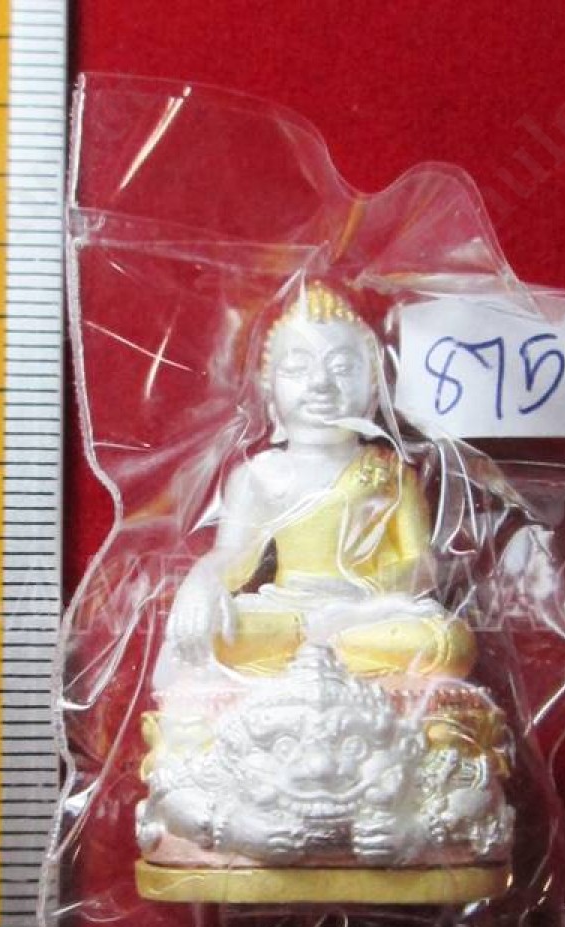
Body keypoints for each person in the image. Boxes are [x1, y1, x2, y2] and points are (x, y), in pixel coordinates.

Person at [154, 281, 474, 689]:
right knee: (209, 636)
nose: (321, 383)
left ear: (373, 388)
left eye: (343, 368)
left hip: (365, 617)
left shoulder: (390, 472)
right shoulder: (257, 474)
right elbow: (234, 558)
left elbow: (421, 565)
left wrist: (360, 597)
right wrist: (200, 584)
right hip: (284, 615)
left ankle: (323, 650)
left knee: (446, 644)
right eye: (297, 369)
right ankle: (321, 650)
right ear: (269, 388)